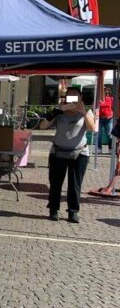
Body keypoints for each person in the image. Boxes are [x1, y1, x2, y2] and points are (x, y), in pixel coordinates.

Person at [39, 88, 98, 223]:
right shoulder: (59, 112)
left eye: (75, 96)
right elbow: (42, 126)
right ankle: (53, 209)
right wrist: (55, 112)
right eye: (69, 96)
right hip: (58, 152)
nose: (71, 98)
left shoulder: (87, 111)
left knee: (75, 184)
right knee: (55, 183)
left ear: (80, 97)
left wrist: (82, 111)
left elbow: (92, 128)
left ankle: (73, 211)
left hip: (79, 153)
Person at [96, 86, 114, 154]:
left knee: (109, 134)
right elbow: (95, 107)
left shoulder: (111, 99)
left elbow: (114, 108)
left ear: (109, 92)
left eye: (107, 91)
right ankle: (99, 148)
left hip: (108, 119)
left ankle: (110, 149)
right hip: (100, 118)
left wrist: (112, 113)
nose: (106, 92)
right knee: (99, 134)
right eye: (104, 91)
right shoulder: (99, 99)